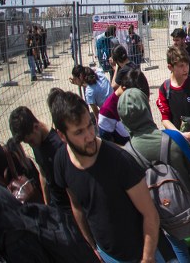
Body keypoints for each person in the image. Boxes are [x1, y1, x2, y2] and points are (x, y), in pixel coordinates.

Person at [50, 88, 162, 263]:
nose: (89, 136)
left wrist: (147, 258)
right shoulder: (61, 161)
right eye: (79, 132)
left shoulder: (120, 161)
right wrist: (92, 247)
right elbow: (77, 206)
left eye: (90, 125)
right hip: (106, 254)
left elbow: (150, 214)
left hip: (141, 254)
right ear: (62, 136)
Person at [118, 87, 190, 263]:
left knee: (179, 249)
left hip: (159, 215)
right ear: (147, 110)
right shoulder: (173, 137)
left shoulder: (126, 154)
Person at [9, 106, 70, 210]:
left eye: (31, 141)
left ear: (36, 127)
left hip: (68, 206)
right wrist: (46, 204)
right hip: (55, 205)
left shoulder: (58, 146)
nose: (31, 145)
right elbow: (43, 174)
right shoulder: (36, 142)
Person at [156, 46, 190, 132]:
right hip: (178, 139)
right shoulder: (164, 88)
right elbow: (165, 119)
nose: (185, 69)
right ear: (170, 67)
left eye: (187, 64)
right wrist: (180, 136)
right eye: (181, 66)